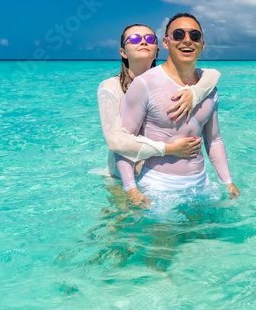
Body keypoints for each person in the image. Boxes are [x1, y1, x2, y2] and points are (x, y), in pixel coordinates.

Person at [117, 12, 240, 205]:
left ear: (202, 45)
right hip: (159, 187)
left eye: (195, 36)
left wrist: (228, 183)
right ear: (166, 43)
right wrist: (132, 190)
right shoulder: (145, 84)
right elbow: (124, 143)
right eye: (179, 35)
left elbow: (214, 140)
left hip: (201, 184)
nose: (187, 40)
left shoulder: (209, 89)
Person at [97, 23, 221, 194]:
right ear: (123, 52)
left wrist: (196, 93)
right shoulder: (110, 87)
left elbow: (212, 74)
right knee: (118, 220)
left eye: (149, 39)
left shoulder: (167, 80)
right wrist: (169, 149)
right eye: (134, 39)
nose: (143, 42)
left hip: (156, 177)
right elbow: (115, 141)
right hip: (122, 177)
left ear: (157, 50)